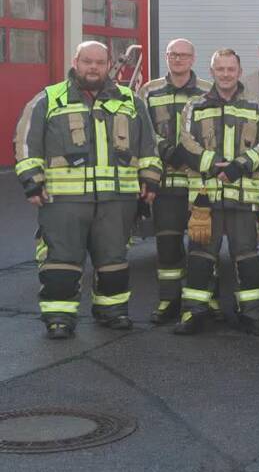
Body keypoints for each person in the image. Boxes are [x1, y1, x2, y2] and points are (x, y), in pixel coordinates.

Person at [14, 41, 161, 339]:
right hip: (63, 202)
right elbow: (26, 143)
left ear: (109, 65)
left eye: (99, 62)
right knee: (61, 260)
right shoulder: (48, 99)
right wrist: (32, 181)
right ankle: (59, 317)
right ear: (76, 62)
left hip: (116, 201)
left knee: (114, 259)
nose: (93, 67)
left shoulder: (131, 100)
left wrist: (150, 180)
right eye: (87, 61)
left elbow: (149, 145)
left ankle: (112, 311)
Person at [176, 48, 259, 336]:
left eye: (231, 69)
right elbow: (185, 141)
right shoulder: (194, 106)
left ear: (239, 71)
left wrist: (239, 166)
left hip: (243, 196)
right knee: (199, 256)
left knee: (247, 257)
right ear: (212, 72)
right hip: (205, 198)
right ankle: (193, 313)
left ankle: (253, 315)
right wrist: (211, 165)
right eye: (220, 69)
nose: (226, 74)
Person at [138, 38, 211, 324]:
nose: (178, 59)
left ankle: (201, 304)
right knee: (167, 248)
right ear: (166, 57)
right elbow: (141, 129)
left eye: (183, 55)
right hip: (166, 184)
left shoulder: (207, 90)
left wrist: (193, 154)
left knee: (202, 247)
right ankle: (169, 300)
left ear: (193, 59)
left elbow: (215, 129)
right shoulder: (149, 90)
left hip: (199, 185)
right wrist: (165, 148)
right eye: (172, 54)